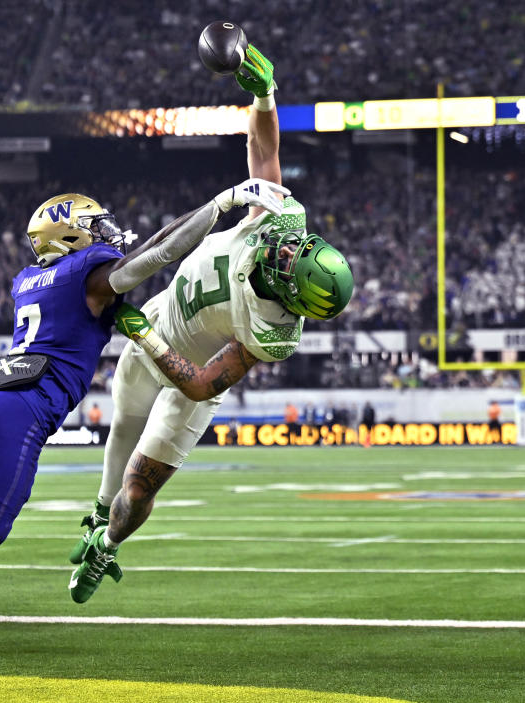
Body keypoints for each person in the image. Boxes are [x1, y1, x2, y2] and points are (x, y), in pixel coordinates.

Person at [0, 171, 288, 685]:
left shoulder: (29, 279)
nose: (106, 233)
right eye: (95, 226)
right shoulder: (89, 271)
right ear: (71, 235)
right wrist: (224, 202)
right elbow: (156, 254)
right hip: (20, 410)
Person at [67, 43, 354, 603]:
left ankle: (108, 545)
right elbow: (261, 147)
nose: (286, 250)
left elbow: (200, 384)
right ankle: (96, 515)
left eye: (292, 263)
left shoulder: (275, 332)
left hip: (187, 374)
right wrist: (265, 91)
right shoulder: (284, 220)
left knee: (140, 487)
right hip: (158, 323)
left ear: (293, 296)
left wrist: (143, 335)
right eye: (298, 248)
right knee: (121, 426)